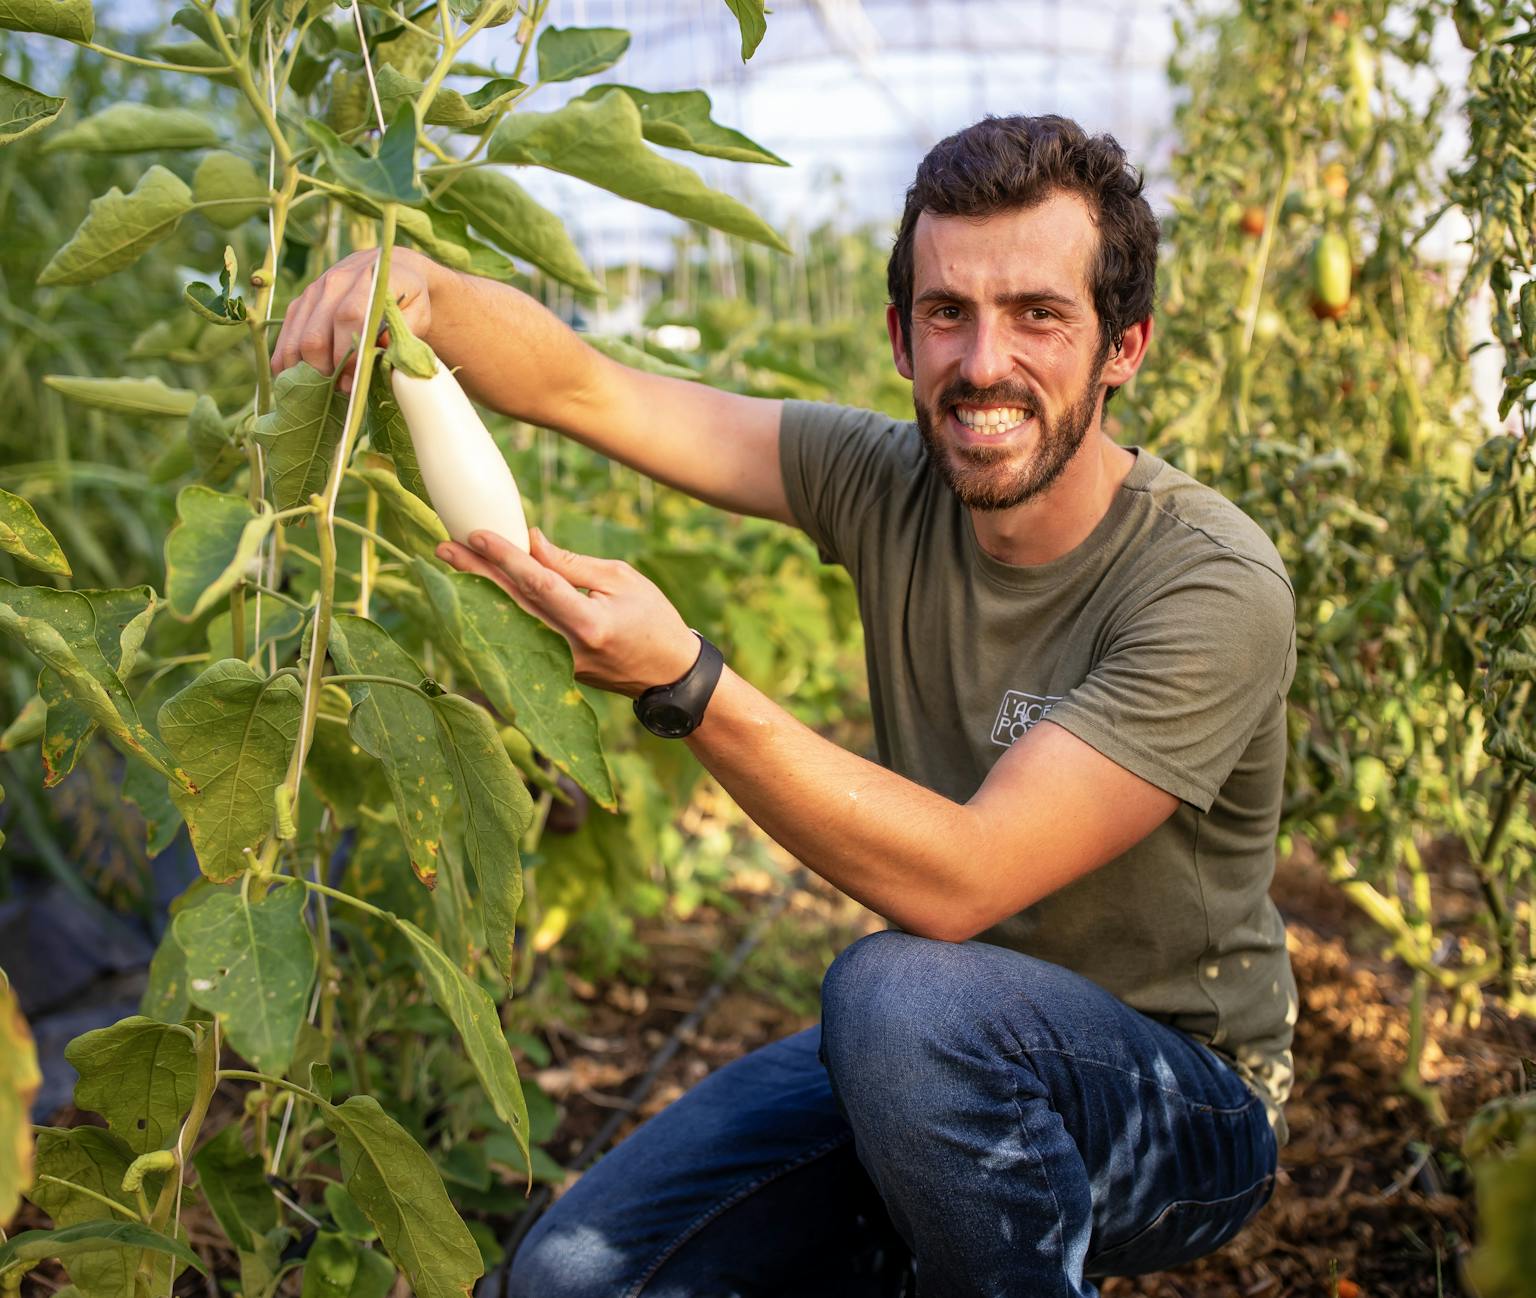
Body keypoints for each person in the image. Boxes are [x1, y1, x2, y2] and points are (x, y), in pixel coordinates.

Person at [273, 113, 1297, 1298]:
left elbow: (960, 880)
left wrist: (688, 682)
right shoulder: (882, 481)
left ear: (1124, 347)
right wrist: (424, 298)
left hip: (1182, 1094)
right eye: (947, 313)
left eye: (1038, 315)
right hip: (934, 1061)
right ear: (899, 338)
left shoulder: (1208, 581)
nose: (981, 362)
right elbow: (596, 391)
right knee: (568, 1276)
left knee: (897, 987)